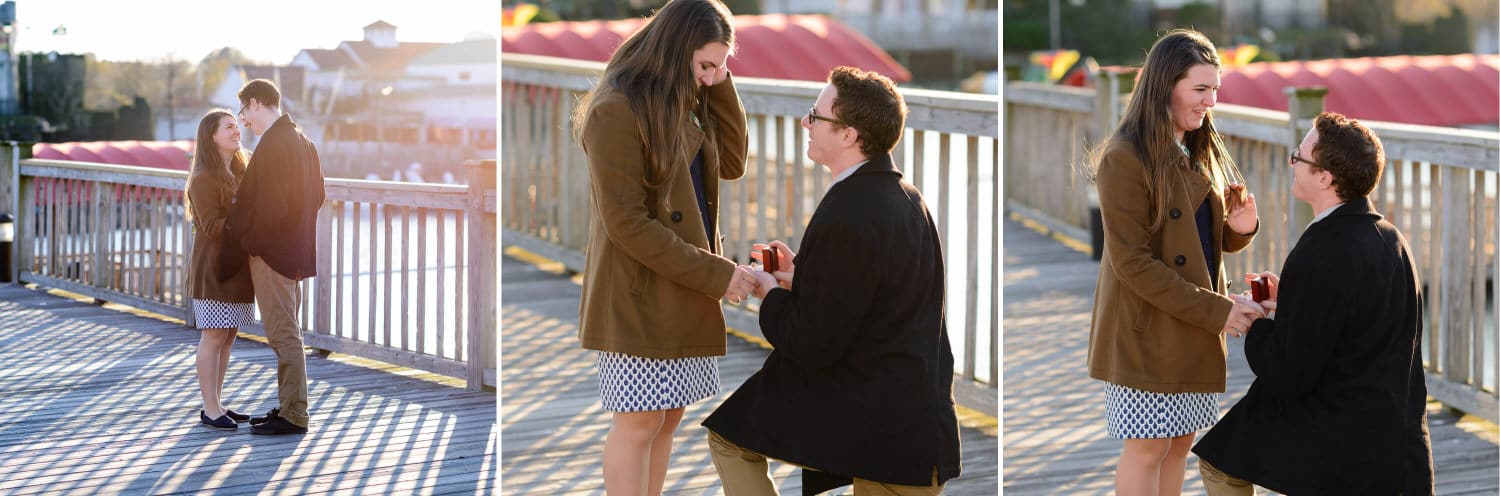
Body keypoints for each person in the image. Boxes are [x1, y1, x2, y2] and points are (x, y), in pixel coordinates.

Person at [701, 66, 961, 495]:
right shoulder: (905, 196)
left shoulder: (849, 211)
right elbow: (871, 291)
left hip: (881, 429)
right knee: (735, 431)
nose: (805, 122)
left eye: (815, 116)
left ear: (849, 135)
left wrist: (768, 294)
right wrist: (801, 278)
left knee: (730, 437)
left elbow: (812, 343)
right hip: (909, 412)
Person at [1192, 112, 1435, 495]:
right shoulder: (1391, 239)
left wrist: (1254, 323)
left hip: (1339, 432)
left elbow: (1286, 374)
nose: (1292, 163)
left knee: (1219, 460)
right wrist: (1290, 300)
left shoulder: (1320, 252)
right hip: (1392, 430)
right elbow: (1352, 316)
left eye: (1299, 157)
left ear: (1325, 177)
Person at [571, 1, 756, 494]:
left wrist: (718, 83)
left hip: (682, 284)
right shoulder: (614, 109)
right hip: (638, 292)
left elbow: (733, 162)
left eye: (721, 64)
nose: (712, 74)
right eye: (705, 64)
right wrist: (719, 275)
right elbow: (626, 222)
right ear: (674, 52)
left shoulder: (684, 101)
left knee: (668, 419)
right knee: (638, 423)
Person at [1086, 28, 1266, 496]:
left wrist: (1238, 229)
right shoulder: (1125, 157)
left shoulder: (1195, 147)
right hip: (1147, 329)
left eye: (1215, 91)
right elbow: (1133, 263)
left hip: (1189, 324)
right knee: (1148, 447)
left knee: (1180, 443)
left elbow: (1194, 243)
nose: (1210, 102)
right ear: (1166, 85)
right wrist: (1219, 311)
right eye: (1200, 89)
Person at [223, 78, 326, 436]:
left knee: (283, 334)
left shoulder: (275, 144)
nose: (243, 119)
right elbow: (320, 195)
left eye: (244, 110)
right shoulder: (302, 140)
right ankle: (287, 405)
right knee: (287, 331)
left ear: (255, 103)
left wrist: (253, 243)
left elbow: (271, 207)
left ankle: (295, 413)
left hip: (273, 255)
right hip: (292, 251)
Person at [185, 109, 254, 431]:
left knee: (228, 337)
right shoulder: (202, 179)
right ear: (211, 137)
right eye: (228, 127)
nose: (236, 130)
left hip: (238, 266)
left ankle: (218, 402)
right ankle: (209, 408)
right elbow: (212, 227)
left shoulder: (241, 171)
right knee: (213, 336)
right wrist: (252, 223)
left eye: (237, 125)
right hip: (213, 268)